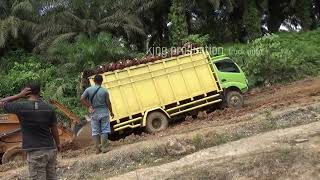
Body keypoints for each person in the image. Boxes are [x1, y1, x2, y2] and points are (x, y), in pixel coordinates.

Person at [0, 82, 61, 180]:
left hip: (35, 152)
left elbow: (1, 102)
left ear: (26, 92)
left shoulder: (21, 107)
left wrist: (19, 95)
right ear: (39, 92)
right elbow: (54, 128)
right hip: (50, 149)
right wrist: (58, 144)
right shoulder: (49, 108)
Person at [80, 74, 114, 154]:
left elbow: (82, 99)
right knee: (105, 130)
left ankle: (97, 149)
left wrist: (89, 106)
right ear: (102, 81)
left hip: (94, 113)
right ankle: (104, 147)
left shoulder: (88, 90)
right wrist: (111, 112)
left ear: (94, 81)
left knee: (95, 131)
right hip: (104, 112)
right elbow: (108, 103)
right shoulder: (104, 91)